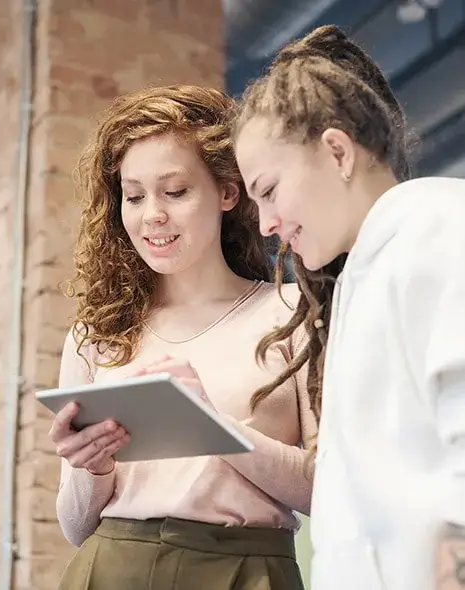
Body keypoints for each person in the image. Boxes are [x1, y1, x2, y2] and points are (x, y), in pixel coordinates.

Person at [49, 84, 317, 590]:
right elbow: (76, 525)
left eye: (175, 191)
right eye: (134, 196)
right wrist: (95, 466)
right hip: (109, 568)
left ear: (227, 193)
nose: (153, 214)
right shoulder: (97, 335)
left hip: (247, 571)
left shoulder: (291, 313)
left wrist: (210, 425)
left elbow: (329, 491)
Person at [232, 23, 465, 590]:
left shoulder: (437, 229)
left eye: (267, 190)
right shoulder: (364, 274)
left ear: (337, 151)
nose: (265, 224)